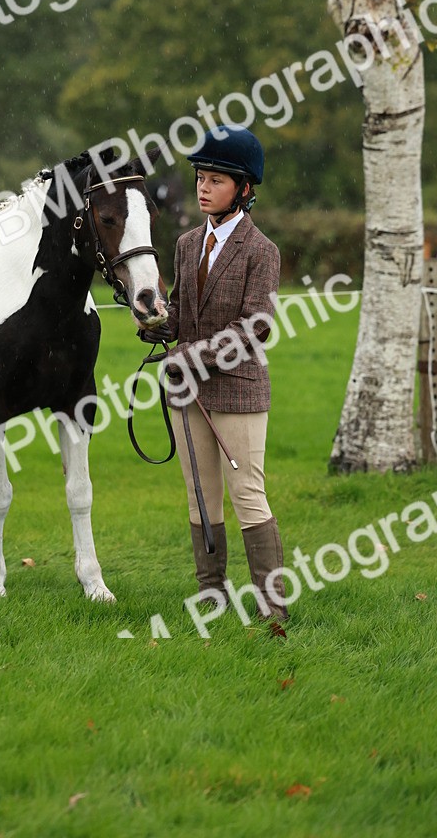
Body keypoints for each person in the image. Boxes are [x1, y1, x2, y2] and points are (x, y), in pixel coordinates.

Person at [152, 124, 288, 623]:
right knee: (200, 497)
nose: (204, 188)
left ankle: (273, 605)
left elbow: (254, 327)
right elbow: (181, 313)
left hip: (238, 392)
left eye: (216, 180)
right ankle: (212, 593)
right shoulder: (188, 243)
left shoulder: (261, 250)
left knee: (248, 496)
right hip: (188, 392)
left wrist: (188, 355)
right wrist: (157, 322)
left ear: (244, 189)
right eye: (200, 178)